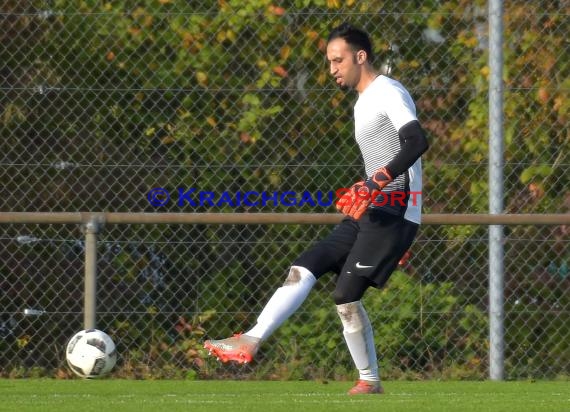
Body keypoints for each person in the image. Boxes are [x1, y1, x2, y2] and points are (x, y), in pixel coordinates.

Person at [204, 22, 429, 395]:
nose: (332, 69)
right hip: (372, 209)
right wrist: (371, 189)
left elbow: (417, 142)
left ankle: (370, 381)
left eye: (338, 60)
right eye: (328, 62)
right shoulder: (362, 103)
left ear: (361, 57)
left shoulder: (388, 91)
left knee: (345, 296)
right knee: (306, 264)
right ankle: (252, 338)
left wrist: (383, 195)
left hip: (393, 209)